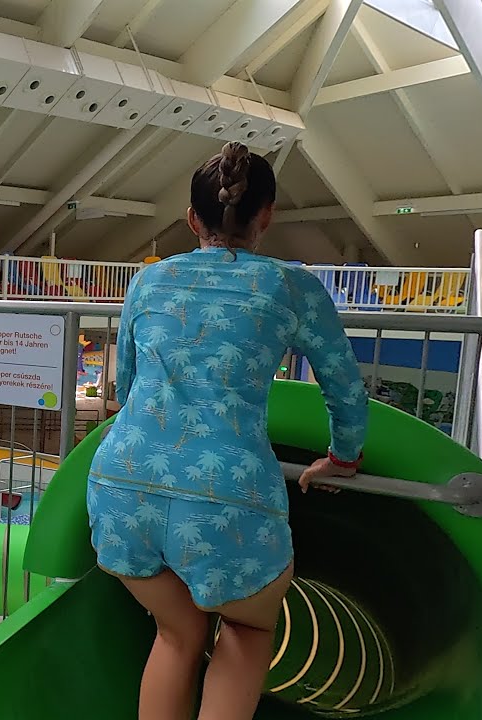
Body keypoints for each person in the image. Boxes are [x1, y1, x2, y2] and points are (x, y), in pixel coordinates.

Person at [89, 141, 370, 720]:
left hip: (122, 486)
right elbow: (344, 387)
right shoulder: (292, 288)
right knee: (244, 631)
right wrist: (343, 457)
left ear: (193, 219)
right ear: (266, 216)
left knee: (177, 634)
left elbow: (127, 383)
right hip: (229, 498)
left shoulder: (147, 283)